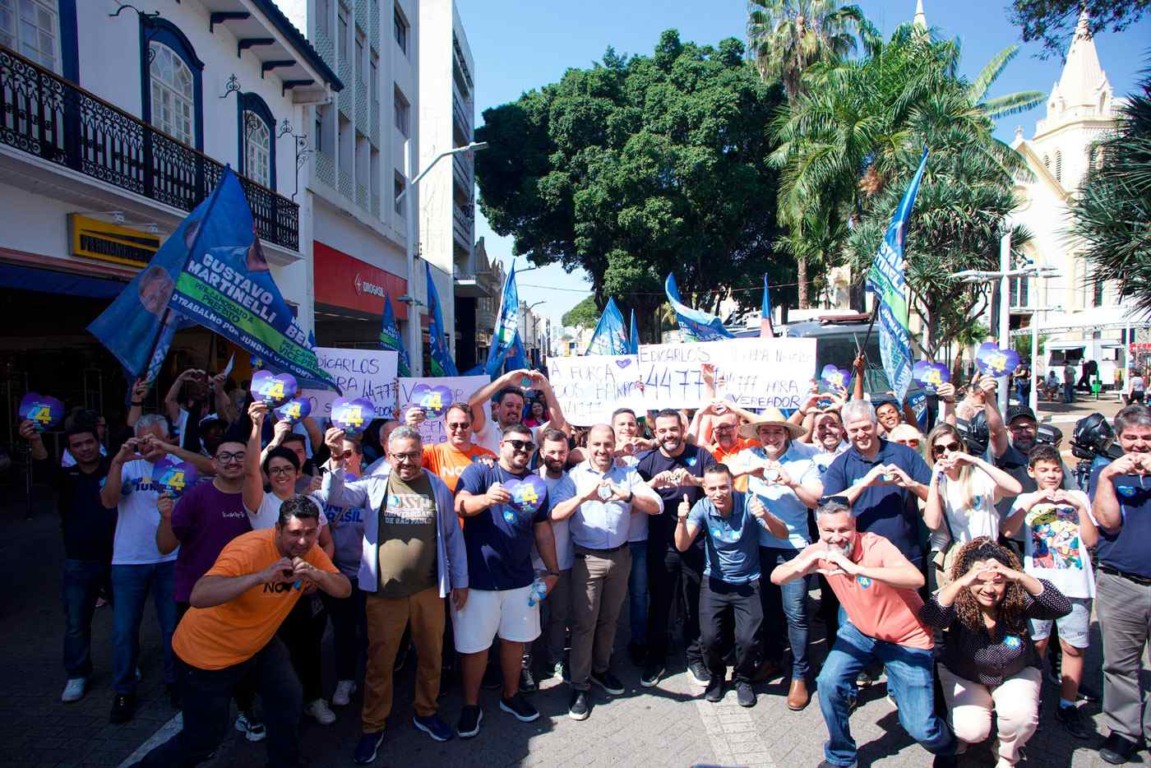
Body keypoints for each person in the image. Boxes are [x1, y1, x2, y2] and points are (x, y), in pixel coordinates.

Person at [132, 496, 350, 768]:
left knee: (287, 699)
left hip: (258, 646)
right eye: (294, 533)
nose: (303, 542)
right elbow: (199, 595)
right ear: (278, 529)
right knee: (203, 740)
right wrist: (259, 577)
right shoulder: (248, 549)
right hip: (207, 656)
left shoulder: (309, 552)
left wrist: (316, 575)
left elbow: (343, 589)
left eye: (309, 533)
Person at [772, 499, 957, 768]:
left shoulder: (876, 545)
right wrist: (805, 565)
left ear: (854, 525)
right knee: (828, 683)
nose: (837, 537)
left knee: (920, 728)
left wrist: (857, 569)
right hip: (861, 630)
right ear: (819, 529)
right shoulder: (820, 550)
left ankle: (951, 746)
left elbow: (915, 578)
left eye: (843, 530)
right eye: (829, 531)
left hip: (907, 639)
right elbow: (777, 576)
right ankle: (842, 757)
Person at [321, 426, 468, 762]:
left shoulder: (435, 487)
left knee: (431, 657)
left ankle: (426, 712)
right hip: (384, 596)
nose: (407, 461)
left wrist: (460, 581)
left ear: (421, 453)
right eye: (399, 455)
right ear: (388, 455)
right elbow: (336, 496)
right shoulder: (375, 484)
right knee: (379, 664)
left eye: (413, 454)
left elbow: (451, 538)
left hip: (429, 591)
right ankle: (373, 726)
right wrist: (333, 460)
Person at [99, 414, 211, 723]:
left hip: (171, 559)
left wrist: (171, 450)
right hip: (129, 559)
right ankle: (123, 690)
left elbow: (210, 469)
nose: (149, 446)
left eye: (155, 439)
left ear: (166, 437)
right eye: (143, 440)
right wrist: (117, 462)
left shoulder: (179, 465)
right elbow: (108, 501)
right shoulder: (127, 465)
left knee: (172, 628)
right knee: (124, 630)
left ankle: (175, 683)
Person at [922, 538, 1070, 767]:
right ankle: (964, 735)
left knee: (1021, 718)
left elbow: (1061, 607)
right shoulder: (959, 599)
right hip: (965, 673)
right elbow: (931, 615)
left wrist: (1019, 576)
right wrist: (961, 583)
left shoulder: (1015, 599)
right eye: (980, 581)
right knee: (972, 730)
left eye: (998, 582)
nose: (989, 589)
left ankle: (1006, 753)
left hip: (1016, 670)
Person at [453, 424, 561, 737]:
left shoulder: (536, 484)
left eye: (528, 447)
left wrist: (553, 571)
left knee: (516, 642)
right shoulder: (479, 472)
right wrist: (485, 500)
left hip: (521, 580)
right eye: (516, 444)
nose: (522, 451)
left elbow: (542, 530)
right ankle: (471, 705)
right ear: (501, 445)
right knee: (476, 648)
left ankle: (510, 696)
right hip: (479, 580)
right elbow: (460, 503)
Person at [557, 424, 662, 720]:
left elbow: (655, 506)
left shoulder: (627, 474)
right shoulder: (574, 477)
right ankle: (579, 685)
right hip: (586, 559)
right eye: (597, 444)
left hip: (620, 556)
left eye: (607, 444)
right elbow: (554, 512)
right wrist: (582, 498)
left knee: (610, 619)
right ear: (587, 445)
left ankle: (601, 670)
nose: (602, 450)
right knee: (583, 624)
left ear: (615, 445)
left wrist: (627, 496)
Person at [243, 404, 339, 726]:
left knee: (309, 650)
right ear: (268, 476)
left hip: (305, 593)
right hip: (268, 594)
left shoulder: (310, 503)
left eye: (288, 469)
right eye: (275, 470)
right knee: (272, 657)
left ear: (298, 473)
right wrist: (259, 428)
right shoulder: (259, 503)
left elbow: (326, 542)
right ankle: (277, 710)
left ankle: (313, 700)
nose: (282, 474)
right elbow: (249, 472)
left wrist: (319, 576)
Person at [1001, 444, 1098, 739]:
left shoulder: (1078, 497)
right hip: (1039, 585)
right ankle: (1033, 699)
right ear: (1032, 472)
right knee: (1037, 645)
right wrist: (1032, 503)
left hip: (1076, 584)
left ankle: (1068, 704)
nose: (1052, 475)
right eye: (1044, 470)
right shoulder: (1026, 498)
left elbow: (1091, 540)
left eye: (1055, 469)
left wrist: (1078, 507)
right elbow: (1007, 530)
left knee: (1073, 647)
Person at [733, 409, 823, 710]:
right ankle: (772, 659)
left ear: (787, 435)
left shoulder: (802, 462)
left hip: (793, 548)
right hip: (759, 548)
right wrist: (749, 472)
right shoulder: (750, 457)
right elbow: (721, 471)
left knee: (795, 612)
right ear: (759, 436)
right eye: (766, 432)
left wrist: (790, 483)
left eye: (777, 432)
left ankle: (800, 674)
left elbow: (816, 500)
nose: (771, 437)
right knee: (768, 610)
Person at [676, 464, 787, 707]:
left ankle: (743, 677)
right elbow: (682, 545)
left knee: (748, 641)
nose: (719, 493)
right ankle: (716, 676)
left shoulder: (748, 503)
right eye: (713, 488)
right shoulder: (702, 507)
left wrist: (765, 514)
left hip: (747, 583)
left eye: (723, 487)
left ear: (731, 485)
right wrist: (682, 520)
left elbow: (782, 533)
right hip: (714, 582)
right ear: (705, 489)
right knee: (709, 638)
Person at [22, 421, 114, 703]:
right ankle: (77, 673)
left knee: (124, 619)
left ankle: (126, 664)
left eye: (89, 442)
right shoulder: (66, 476)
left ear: (98, 440)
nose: (85, 449)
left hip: (117, 558)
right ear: (70, 450)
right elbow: (45, 469)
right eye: (77, 445)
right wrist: (36, 441)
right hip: (78, 560)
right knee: (76, 621)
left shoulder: (115, 468)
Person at [636, 409, 717, 688]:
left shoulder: (702, 455)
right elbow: (633, 499)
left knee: (694, 602)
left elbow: (719, 487)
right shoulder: (647, 463)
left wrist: (694, 482)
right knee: (660, 604)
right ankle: (656, 657)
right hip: (661, 546)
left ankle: (695, 657)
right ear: (655, 433)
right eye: (662, 431)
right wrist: (652, 484)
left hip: (696, 544)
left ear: (682, 428)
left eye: (673, 429)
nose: (669, 435)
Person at [1089, 404, 1151, 765]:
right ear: (1118, 438)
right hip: (1120, 582)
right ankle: (1124, 730)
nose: (1139, 446)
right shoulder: (1106, 471)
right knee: (1120, 664)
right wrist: (1107, 479)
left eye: (1146, 439)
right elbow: (1107, 524)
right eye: (1131, 438)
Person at [821, 400, 932, 566]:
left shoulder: (905, 454)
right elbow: (828, 507)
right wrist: (863, 484)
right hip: (862, 558)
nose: (861, 434)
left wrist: (911, 484)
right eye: (854, 430)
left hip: (906, 553)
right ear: (845, 430)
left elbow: (934, 495)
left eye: (866, 427)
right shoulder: (840, 465)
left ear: (875, 423)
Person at [923, 424, 1022, 586]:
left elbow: (1015, 488)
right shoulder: (937, 485)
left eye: (952, 447)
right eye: (940, 449)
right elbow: (932, 523)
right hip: (962, 558)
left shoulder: (979, 476)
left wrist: (975, 461)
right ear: (933, 453)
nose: (946, 453)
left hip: (991, 553)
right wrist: (935, 478)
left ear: (960, 448)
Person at [534, 430, 579, 682]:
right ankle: (525, 666)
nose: (556, 456)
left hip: (563, 564)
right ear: (541, 452)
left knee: (560, 616)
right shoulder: (530, 480)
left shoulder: (572, 481)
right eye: (551, 451)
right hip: (533, 566)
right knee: (530, 615)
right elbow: (551, 516)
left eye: (561, 451)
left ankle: (555, 660)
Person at [467, 369, 568, 455]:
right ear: (497, 407)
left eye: (519, 407)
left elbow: (557, 424)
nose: (514, 410)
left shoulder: (530, 435)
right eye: (509, 405)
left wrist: (546, 387)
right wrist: (505, 380)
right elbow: (473, 404)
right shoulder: (487, 429)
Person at [413, 402, 496, 492]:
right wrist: (409, 427)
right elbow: (405, 461)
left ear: (472, 425)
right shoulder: (432, 453)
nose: (459, 430)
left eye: (464, 425)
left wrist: (490, 466)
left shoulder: (486, 456)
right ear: (446, 425)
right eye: (454, 425)